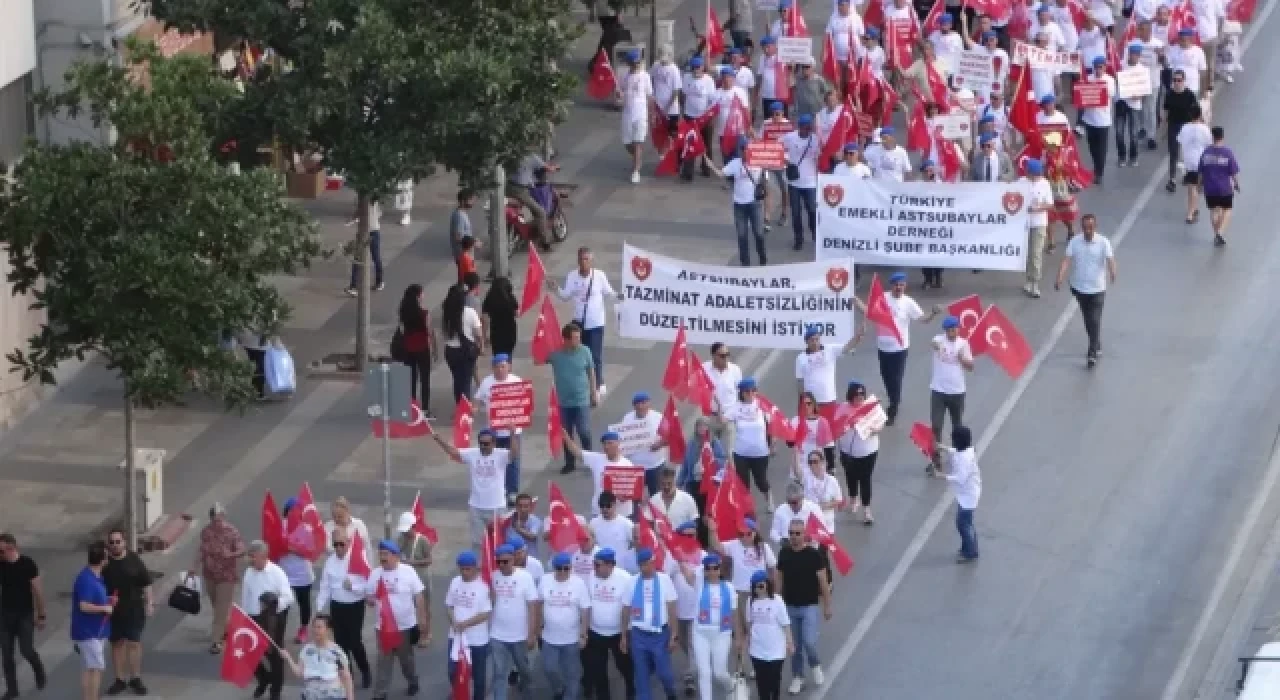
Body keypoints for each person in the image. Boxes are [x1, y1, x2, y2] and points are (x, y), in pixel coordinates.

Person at [859, 272, 942, 424]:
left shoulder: (908, 303)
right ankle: (894, 397)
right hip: (883, 347)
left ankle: (893, 407)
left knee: (895, 379)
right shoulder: (882, 298)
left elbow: (922, 319)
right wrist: (855, 301)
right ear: (892, 286)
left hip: (899, 348)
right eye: (896, 285)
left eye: (902, 285)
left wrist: (933, 314)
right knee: (886, 377)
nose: (899, 287)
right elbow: (869, 312)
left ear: (905, 286)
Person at [550, 247, 620, 396]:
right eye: (581, 259)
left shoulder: (599, 276)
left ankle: (599, 382)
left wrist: (619, 296)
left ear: (591, 261)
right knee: (580, 353)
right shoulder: (572, 276)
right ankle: (584, 382)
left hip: (595, 323)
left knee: (595, 355)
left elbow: (609, 293)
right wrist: (556, 289)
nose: (583, 262)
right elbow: (565, 296)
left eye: (586, 259)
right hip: (578, 323)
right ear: (578, 260)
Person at [432, 428, 512, 550]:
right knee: (478, 543)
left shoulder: (501, 454)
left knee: (499, 541)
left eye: (487, 444)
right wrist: (439, 440)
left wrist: (513, 434)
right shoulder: (473, 453)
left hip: (497, 507)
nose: (483, 446)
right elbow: (453, 452)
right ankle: (480, 567)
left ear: (494, 443)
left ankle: (497, 566)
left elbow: (515, 453)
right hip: (476, 507)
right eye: (481, 443)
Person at [775, 519, 830, 694]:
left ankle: (815, 664)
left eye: (797, 533)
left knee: (809, 642)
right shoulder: (783, 554)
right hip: (790, 606)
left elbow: (823, 582)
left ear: (804, 534)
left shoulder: (814, 555)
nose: (794, 537)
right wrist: (776, 603)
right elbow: (778, 579)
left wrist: (827, 605)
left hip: (809, 606)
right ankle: (798, 676)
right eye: (791, 533)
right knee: (794, 645)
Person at [1054, 213, 1116, 368]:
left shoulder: (1103, 243)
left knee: (1094, 319)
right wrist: (1060, 277)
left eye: (1091, 227)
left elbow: (1110, 260)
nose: (1088, 230)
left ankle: (1092, 352)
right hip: (1080, 288)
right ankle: (1096, 341)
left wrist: (1113, 272)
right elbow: (1066, 260)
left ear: (1095, 227)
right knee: (1088, 320)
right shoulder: (1075, 242)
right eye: (1085, 227)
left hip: (1097, 289)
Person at [369, 540, 429, 699]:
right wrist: (369, 598)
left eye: (385, 554)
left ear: (395, 556)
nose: (382, 557)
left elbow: (419, 596)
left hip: (404, 627)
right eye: (380, 554)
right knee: (383, 660)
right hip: (383, 628)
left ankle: (412, 680)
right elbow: (369, 599)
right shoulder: (376, 574)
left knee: (406, 660)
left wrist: (422, 619)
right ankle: (380, 693)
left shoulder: (408, 571)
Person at [314, 530, 372, 689]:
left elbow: (368, 585)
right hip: (337, 606)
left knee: (355, 642)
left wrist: (353, 587)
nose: (339, 548)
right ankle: (348, 675)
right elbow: (325, 586)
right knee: (341, 644)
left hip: (354, 605)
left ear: (348, 543)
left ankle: (365, 670)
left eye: (342, 544)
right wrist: (319, 608)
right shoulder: (330, 562)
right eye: (335, 544)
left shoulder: (357, 559)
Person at [623, 548, 680, 700]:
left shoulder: (664, 580)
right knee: (640, 676)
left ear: (653, 563)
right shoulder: (632, 581)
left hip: (660, 635)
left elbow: (672, 607)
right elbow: (626, 608)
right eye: (641, 565)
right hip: (639, 635)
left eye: (647, 564)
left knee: (665, 673)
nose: (644, 568)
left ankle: (670, 691)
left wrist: (674, 634)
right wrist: (623, 635)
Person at [240, 541, 294, 700]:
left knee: (274, 655)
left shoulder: (277, 573)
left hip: (273, 618)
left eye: (253, 557)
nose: (250, 560)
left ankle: (275, 690)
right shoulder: (249, 572)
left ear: (263, 556)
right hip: (253, 616)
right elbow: (246, 596)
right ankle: (263, 679)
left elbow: (289, 597)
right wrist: (243, 617)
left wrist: (275, 602)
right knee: (248, 652)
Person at [102, 529, 152, 696]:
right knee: (117, 644)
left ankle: (135, 678)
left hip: (134, 609)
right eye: (112, 542)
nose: (115, 545)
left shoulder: (134, 560)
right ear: (108, 545)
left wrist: (149, 603)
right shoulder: (105, 564)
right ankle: (119, 679)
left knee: (134, 644)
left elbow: (146, 583)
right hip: (114, 611)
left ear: (124, 543)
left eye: (118, 542)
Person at [705, 135, 768, 266]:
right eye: (743, 148)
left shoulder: (759, 162)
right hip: (739, 205)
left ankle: (762, 258)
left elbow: (765, 178)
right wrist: (709, 164)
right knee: (742, 236)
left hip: (754, 204)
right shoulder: (735, 164)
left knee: (759, 234)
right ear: (740, 150)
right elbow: (721, 174)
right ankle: (745, 264)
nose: (746, 151)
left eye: (748, 148)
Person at [489, 545, 540, 700]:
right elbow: (488, 602)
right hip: (497, 635)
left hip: (520, 636)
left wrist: (532, 634)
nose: (502, 565)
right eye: (499, 562)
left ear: (513, 560)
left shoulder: (525, 577)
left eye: (506, 561)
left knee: (524, 671)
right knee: (499, 673)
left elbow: (533, 606)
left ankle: (528, 693)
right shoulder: (492, 575)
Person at [192, 503, 244, 654]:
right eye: (215, 519)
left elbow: (241, 549)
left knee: (221, 609)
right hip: (209, 575)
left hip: (226, 576)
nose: (218, 522)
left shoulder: (232, 531)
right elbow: (202, 549)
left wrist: (232, 554)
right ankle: (226, 628)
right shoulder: (206, 532)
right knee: (217, 606)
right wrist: (194, 566)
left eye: (221, 518)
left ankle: (217, 641)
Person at [584, 548, 635, 700]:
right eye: (594, 564)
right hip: (596, 632)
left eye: (597, 565)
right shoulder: (591, 577)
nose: (594, 568)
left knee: (624, 666)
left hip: (619, 633)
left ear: (610, 565)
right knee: (598, 670)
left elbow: (630, 607)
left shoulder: (625, 579)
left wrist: (626, 634)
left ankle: (631, 690)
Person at [538, 552, 590, 700]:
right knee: (549, 669)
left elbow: (585, 609)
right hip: (549, 637)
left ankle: (570, 696)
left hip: (571, 638)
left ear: (571, 568)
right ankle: (558, 688)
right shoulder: (545, 580)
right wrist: (537, 628)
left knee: (572, 673)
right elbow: (538, 604)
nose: (562, 572)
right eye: (559, 568)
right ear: (553, 568)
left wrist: (583, 634)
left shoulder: (578, 583)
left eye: (566, 569)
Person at [474, 354, 525, 504]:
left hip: (512, 431)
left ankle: (513, 491)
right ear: (492, 368)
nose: (500, 370)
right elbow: (477, 398)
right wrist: (475, 407)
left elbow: (524, 402)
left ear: (508, 367)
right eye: (497, 367)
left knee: (513, 461)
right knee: (495, 461)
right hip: (494, 432)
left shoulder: (516, 381)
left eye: (503, 366)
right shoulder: (487, 382)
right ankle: (498, 489)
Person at [928, 316, 975, 476]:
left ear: (958, 329)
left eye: (954, 329)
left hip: (957, 391)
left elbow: (971, 367)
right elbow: (934, 344)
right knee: (936, 426)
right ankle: (936, 460)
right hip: (939, 391)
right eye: (949, 329)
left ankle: (958, 457)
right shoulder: (939, 340)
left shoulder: (964, 344)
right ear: (945, 331)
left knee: (957, 427)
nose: (952, 332)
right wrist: (937, 346)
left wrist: (961, 357)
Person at [0, 534, 45, 698]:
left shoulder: (28, 564)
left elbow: (38, 591)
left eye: (1, 551)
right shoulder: (1, 565)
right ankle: (12, 689)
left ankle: (38, 669)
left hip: (24, 615)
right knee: (6, 655)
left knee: (26, 650)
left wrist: (41, 615)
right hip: (5, 616)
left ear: (11, 548)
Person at [688, 553, 737, 700]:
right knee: (704, 672)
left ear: (720, 569)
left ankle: (731, 686)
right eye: (708, 569)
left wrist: (738, 637)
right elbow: (684, 566)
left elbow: (734, 613)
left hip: (722, 633)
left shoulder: (729, 588)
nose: (712, 572)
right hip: (701, 633)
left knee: (719, 672)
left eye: (715, 568)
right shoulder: (699, 584)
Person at [279, 615, 357, 700]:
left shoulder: (336, 652)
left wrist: (350, 698)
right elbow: (300, 673)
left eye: (319, 627)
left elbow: (346, 677)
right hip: (310, 695)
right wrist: (288, 658)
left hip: (333, 696)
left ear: (328, 630)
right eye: (314, 627)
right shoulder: (307, 650)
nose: (315, 630)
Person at [71, 542, 111, 700]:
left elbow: (94, 599)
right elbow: (84, 606)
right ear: (102, 560)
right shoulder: (86, 579)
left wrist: (107, 600)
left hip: (96, 631)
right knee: (95, 668)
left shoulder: (96, 576)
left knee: (89, 668)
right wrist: (104, 609)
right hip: (88, 632)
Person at [837, 381, 881, 524]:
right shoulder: (843, 408)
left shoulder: (870, 407)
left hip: (868, 451)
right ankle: (853, 499)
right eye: (857, 394)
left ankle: (867, 510)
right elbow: (837, 425)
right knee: (850, 476)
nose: (860, 397)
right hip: (848, 451)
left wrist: (874, 429)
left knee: (865, 479)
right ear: (851, 395)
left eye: (862, 394)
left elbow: (879, 425)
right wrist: (848, 423)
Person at [727, 378, 774, 512]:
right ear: (741, 393)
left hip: (760, 452)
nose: (750, 393)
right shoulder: (736, 407)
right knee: (743, 484)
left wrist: (773, 444)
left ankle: (769, 498)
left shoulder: (762, 405)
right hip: (741, 452)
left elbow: (773, 424)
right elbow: (723, 420)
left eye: (753, 390)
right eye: (747, 391)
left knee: (761, 481)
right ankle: (746, 508)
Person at [795, 324, 859, 421]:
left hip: (829, 399)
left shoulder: (830, 349)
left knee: (829, 431)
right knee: (813, 431)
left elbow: (847, 347)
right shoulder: (801, 358)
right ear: (806, 342)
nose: (815, 343)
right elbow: (800, 382)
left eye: (817, 339)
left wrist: (857, 337)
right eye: (812, 340)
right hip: (811, 403)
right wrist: (802, 402)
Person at [745, 570, 792, 700]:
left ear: (767, 584)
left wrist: (789, 642)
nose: (758, 589)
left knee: (774, 679)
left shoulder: (777, 600)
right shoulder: (750, 601)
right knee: (761, 681)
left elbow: (785, 623)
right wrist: (748, 640)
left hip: (776, 649)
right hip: (757, 649)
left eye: (761, 586)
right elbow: (749, 623)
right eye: (755, 587)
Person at [939, 425, 982, 562]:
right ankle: (970, 547)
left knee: (963, 524)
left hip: (968, 496)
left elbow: (960, 478)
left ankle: (970, 552)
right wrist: (944, 448)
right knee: (966, 523)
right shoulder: (967, 450)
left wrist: (941, 476)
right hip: (968, 493)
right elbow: (956, 452)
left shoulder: (964, 459)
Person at [279, 498, 316, 644]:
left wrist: (291, 548)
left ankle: (303, 628)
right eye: (290, 511)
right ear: (286, 512)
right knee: (283, 604)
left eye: (296, 511)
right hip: (283, 573)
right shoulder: (280, 526)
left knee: (303, 603)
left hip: (302, 574)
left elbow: (310, 551)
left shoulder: (306, 529)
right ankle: (279, 632)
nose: (293, 514)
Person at [781, 114, 819, 251]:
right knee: (796, 213)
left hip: (810, 183)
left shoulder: (815, 139)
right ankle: (799, 239)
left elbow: (821, 155)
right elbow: (777, 147)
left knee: (812, 211)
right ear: (799, 127)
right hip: (794, 182)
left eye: (807, 127)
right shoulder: (790, 137)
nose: (805, 130)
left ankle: (815, 235)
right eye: (802, 127)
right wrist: (784, 159)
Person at [1197, 125, 1240, 247]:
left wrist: (1199, 185)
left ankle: (1216, 234)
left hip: (1210, 188)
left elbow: (1200, 172)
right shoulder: (1227, 152)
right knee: (1227, 210)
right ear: (1223, 136)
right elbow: (1233, 172)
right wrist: (1236, 184)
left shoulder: (1206, 152)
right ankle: (1220, 232)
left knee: (1214, 210)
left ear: (1212, 136)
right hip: (1225, 188)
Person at [397, 284, 437, 410]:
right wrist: (435, 349)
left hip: (408, 348)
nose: (423, 296)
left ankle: (412, 407)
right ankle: (425, 408)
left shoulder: (403, 312)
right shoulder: (424, 313)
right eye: (422, 293)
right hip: (422, 348)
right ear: (418, 296)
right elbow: (430, 332)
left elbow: (402, 331)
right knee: (425, 380)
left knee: (411, 379)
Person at [441, 283, 484, 402]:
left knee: (457, 379)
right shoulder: (470, 312)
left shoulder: (446, 313)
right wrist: (481, 346)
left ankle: (459, 404)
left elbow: (444, 333)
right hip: (466, 351)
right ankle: (464, 408)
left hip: (450, 351)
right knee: (466, 381)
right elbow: (479, 334)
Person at [621, 392, 669, 497]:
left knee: (656, 497)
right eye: (637, 403)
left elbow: (670, 437)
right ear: (633, 406)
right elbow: (623, 438)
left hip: (655, 466)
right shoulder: (627, 418)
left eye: (643, 403)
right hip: (634, 467)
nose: (640, 406)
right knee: (634, 497)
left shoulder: (658, 417)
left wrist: (660, 444)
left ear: (649, 404)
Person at [508, 154, 558, 250]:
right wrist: (555, 167)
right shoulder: (532, 157)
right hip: (521, 191)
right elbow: (548, 168)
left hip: (508, 188)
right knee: (541, 213)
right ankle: (545, 243)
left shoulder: (512, 155)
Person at [618, 50, 654, 183]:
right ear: (629, 64)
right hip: (627, 114)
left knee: (638, 142)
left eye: (638, 62)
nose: (636, 65)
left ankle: (636, 170)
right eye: (634, 63)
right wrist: (618, 95)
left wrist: (651, 114)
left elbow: (650, 96)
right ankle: (637, 159)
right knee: (628, 143)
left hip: (640, 114)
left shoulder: (645, 76)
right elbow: (620, 93)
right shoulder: (624, 76)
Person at [1021, 159, 1055, 298]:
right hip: (1024, 224)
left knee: (1036, 253)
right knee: (1027, 254)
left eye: (1038, 174)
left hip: (1039, 223)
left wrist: (1037, 208)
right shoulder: (1021, 182)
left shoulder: (1044, 184)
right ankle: (1028, 279)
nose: (1037, 177)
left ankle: (1035, 282)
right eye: (1034, 174)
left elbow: (1050, 205)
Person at [1162, 69, 1199, 193]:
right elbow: (1166, 111)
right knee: (1173, 154)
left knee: (1187, 153)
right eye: (1175, 80)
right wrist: (1164, 128)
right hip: (1173, 126)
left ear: (1184, 81)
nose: (1177, 83)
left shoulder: (1189, 95)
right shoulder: (1169, 94)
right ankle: (1172, 179)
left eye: (1179, 80)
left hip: (1186, 127)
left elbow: (1195, 112)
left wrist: (1196, 127)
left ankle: (1187, 174)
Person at [702, 343, 742, 455]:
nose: (726, 358)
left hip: (728, 418)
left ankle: (730, 471)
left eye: (727, 355)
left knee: (729, 453)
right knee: (709, 452)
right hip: (711, 417)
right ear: (713, 356)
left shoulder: (735, 370)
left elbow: (740, 396)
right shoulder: (704, 368)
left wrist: (729, 416)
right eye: (722, 355)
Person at [1176, 106, 1213, 225]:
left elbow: (1180, 142)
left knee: (1191, 187)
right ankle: (1191, 213)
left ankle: (1192, 209)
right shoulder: (1204, 129)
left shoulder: (1185, 128)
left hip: (1188, 160)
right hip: (1200, 161)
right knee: (1194, 187)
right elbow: (1209, 145)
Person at [1114, 43, 1146, 168]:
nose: (1134, 56)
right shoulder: (1121, 65)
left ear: (1139, 56)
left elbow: (1143, 89)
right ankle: (1122, 156)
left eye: (1136, 55)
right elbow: (1115, 78)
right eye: (1132, 54)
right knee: (1119, 132)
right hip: (1121, 101)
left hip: (1134, 104)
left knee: (1133, 133)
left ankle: (1133, 157)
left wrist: (1139, 95)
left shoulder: (1142, 70)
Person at [345, 197, 384, 296]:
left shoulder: (363, 198)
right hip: (374, 229)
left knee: (358, 258)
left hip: (366, 231)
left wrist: (354, 219)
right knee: (375, 257)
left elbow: (359, 212)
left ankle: (354, 286)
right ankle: (379, 282)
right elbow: (379, 213)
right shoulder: (376, 198)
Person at [589, 492, 637, 571]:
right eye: (602, 506)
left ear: (614, 505)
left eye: (608, 506)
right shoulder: (593, 523)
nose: (605, 509)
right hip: (601, 569)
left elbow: (635, 543)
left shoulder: (626, 523)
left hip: (620, 569)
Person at [768, 482, 822, 547]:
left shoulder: (814, 509)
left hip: (810, 550)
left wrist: (812, 538)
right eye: (788, 502)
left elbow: (822, 531)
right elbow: (774, 532)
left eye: (794, 502)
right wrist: (782, 541)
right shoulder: (780, 510)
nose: (791, 505)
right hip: (788, 550)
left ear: (802, 498)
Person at [482, 277, 520, 358]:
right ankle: (506, 368)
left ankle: (499, 367)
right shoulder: (511, 298)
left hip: (496, 332)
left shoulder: (489, 299)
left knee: (497, 354)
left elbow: (485, 319)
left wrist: (484, 336)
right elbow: (517, 314)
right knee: (508, 354)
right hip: (510, 331)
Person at [450, 188, 477, 264]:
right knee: (467, 276)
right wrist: (474, 242)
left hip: (466, 256)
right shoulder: (459, 216)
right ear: (462, 201)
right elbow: (458, 237)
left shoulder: (462, 214)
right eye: (471, 200)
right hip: (463, 256)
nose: (473, 202)